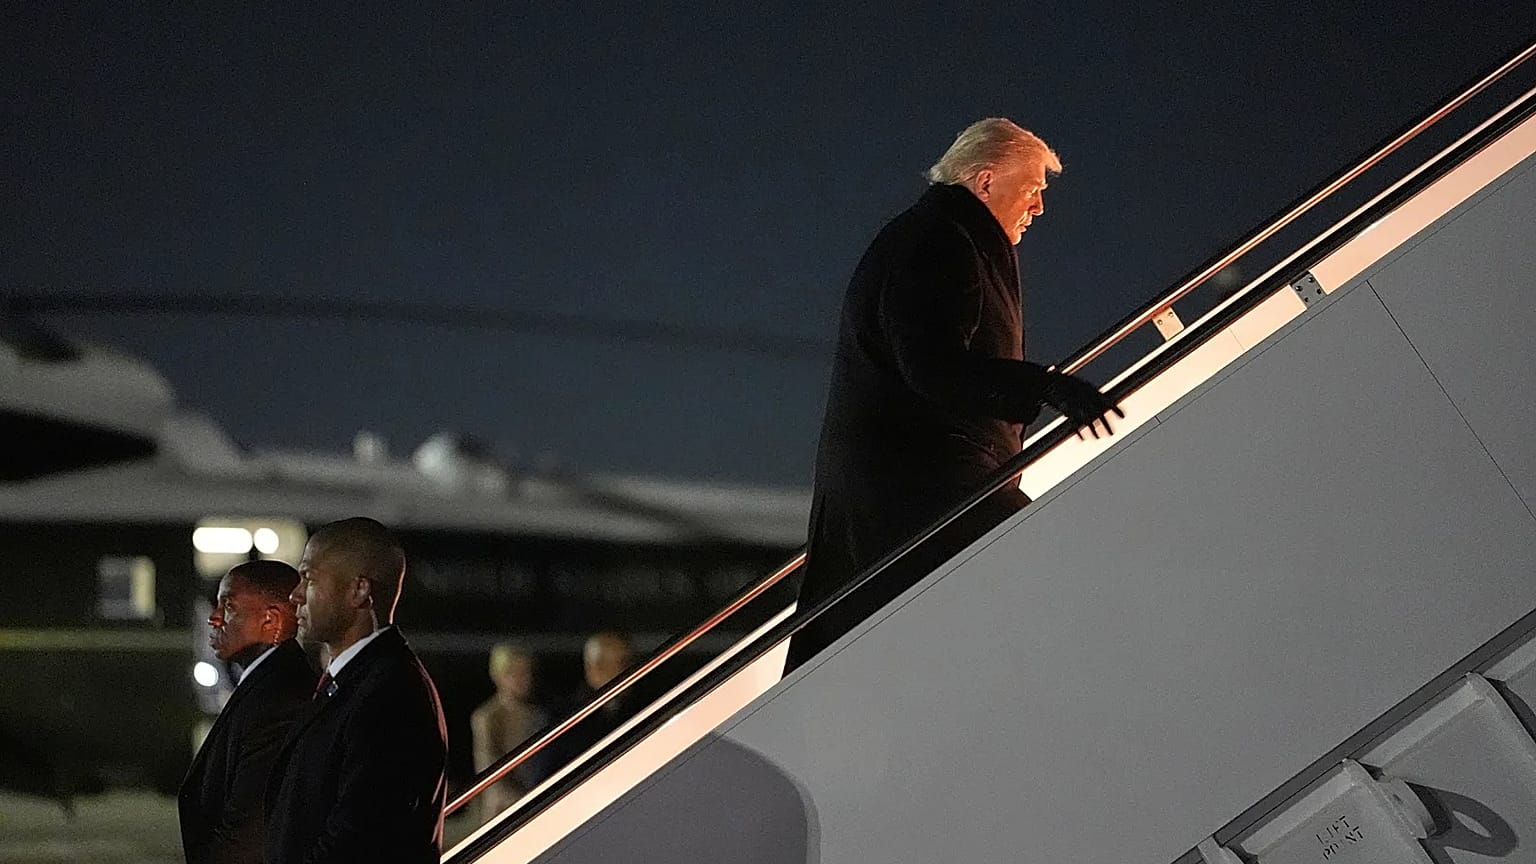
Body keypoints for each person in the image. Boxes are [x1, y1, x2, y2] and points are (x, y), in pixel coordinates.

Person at [786, 118, 1123, 672]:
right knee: (1055, 591)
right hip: (925, 493)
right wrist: (1049, 387)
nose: (1038, 208)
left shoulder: (939, 236)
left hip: (911, 492)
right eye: (1033, 189)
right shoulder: (938, 243)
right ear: (985, 181)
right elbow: (936, 369)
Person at [264, 517, 449, 864]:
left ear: (359, 590)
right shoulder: (360, 681)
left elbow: (355, 840)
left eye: (310, 578)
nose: (295, 594)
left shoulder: (389, 695)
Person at [179, 560, 316, 864]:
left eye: (228, 606)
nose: (214, 619)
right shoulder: (265, 685)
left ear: (272, 621)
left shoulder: (279, 699)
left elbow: (251, 828)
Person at [469, 642, 549, 822]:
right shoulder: (487, 717)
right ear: (498, 676)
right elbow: (490, 772)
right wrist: (525, 803)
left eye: (526, 672)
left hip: (537, 805)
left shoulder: (540, 715)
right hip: (504, 813)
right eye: (514, 673)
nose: (523, 679)